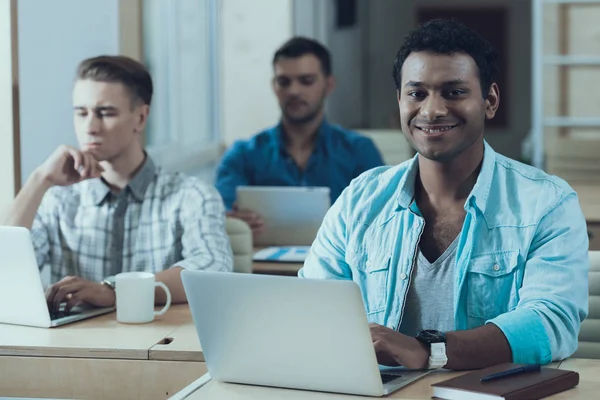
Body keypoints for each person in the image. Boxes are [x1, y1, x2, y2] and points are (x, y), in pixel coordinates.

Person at [299, 19, 589, 370]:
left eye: (453, 92)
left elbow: (550, 322)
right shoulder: (358, 201)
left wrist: (429, 350)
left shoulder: (547, 203)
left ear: (490, 100)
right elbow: (312, 310)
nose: (432, 110)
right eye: (416, 93)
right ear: (400, 103)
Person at [1, 55, 233, 312]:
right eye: (81, 113)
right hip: (71, 349)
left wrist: (113, 291)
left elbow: (213, 267)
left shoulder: (191, 196)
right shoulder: (57, 199)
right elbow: (4, 268)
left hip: (157, 345)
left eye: (105, 113)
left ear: (141, 118)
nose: (90, 127)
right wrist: (39, 179)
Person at [215, 37, 384, 237]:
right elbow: (218, 218)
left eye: (306, 81)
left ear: (328, 85)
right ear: (274, 87)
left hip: (339, 265)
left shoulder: (359, 151)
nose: (293, 91)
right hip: (260, 265)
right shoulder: (242, 155)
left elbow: (381, 219)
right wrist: (231, 222)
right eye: (284, 82)